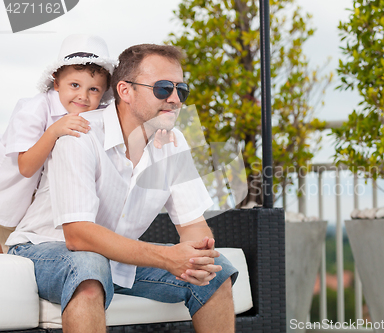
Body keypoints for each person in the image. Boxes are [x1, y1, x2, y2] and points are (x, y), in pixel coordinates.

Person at [6, 43, 237, 333]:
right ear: (125, 91)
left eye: (182, 90)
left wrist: (198, 255)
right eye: (164, 88)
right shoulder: (80, 134)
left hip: (106, 258)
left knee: (218, 274)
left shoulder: (173, 142)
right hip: (41, 250)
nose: (176, 100)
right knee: (89, 267)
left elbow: (193, 224)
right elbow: (78, 235)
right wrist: (167, 257)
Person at [0, 34, 115, 238]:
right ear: (56, 84)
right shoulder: (32, 110)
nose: (83, 96)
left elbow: (127, 125)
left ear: (104, 91)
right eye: (74, 85)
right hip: (7, 204)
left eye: (94, 89)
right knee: (9, 267)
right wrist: (53, 131)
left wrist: (156, 135)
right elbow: (26, 168)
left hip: (37, 214)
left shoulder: (99, 114)